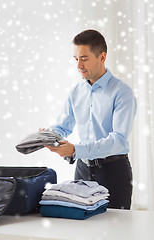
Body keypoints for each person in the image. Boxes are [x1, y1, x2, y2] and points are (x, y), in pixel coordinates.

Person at [41, 29, 137, 209]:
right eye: (76, 59)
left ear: (102, 57)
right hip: (82, 170)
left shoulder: (122, 93)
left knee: (116, 231)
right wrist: (47, 136)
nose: (79, 66)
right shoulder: (76, 91)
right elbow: (62, 126)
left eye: (84, 59)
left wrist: (75, 149)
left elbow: (118, 139)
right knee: (84, 229)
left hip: (113, 171)